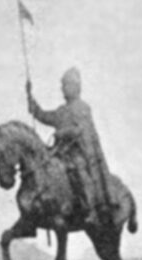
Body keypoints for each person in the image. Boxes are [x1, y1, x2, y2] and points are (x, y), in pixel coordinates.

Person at [27, 67, 113, 228]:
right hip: (60, 153)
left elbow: (81, 130)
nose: (62, 89)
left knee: (78, 169)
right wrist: (30, 98)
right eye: (62, 86)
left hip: (78, 153)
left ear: (75, 87)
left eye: (65, 86)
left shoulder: (83, 107)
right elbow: (43, 116)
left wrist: (62, 133)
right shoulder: (61, 111)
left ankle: (90, 210)